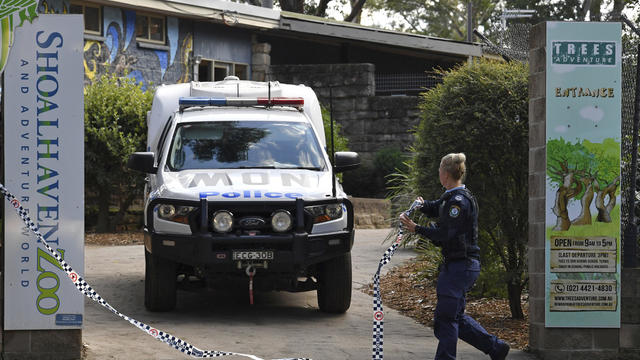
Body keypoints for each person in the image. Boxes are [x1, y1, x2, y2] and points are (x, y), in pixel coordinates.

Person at [399, 153, 510, 360]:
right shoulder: (451, 197)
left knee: (446, 319)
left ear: (445, 174)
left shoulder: (458, 202)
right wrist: (422, 205)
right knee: (454, 317)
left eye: (440, 171)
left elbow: (445, 234)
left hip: (460, 266)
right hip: (459, 266)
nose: (439, 174)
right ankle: (496, 348)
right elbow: (438, 208)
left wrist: (417, 229)